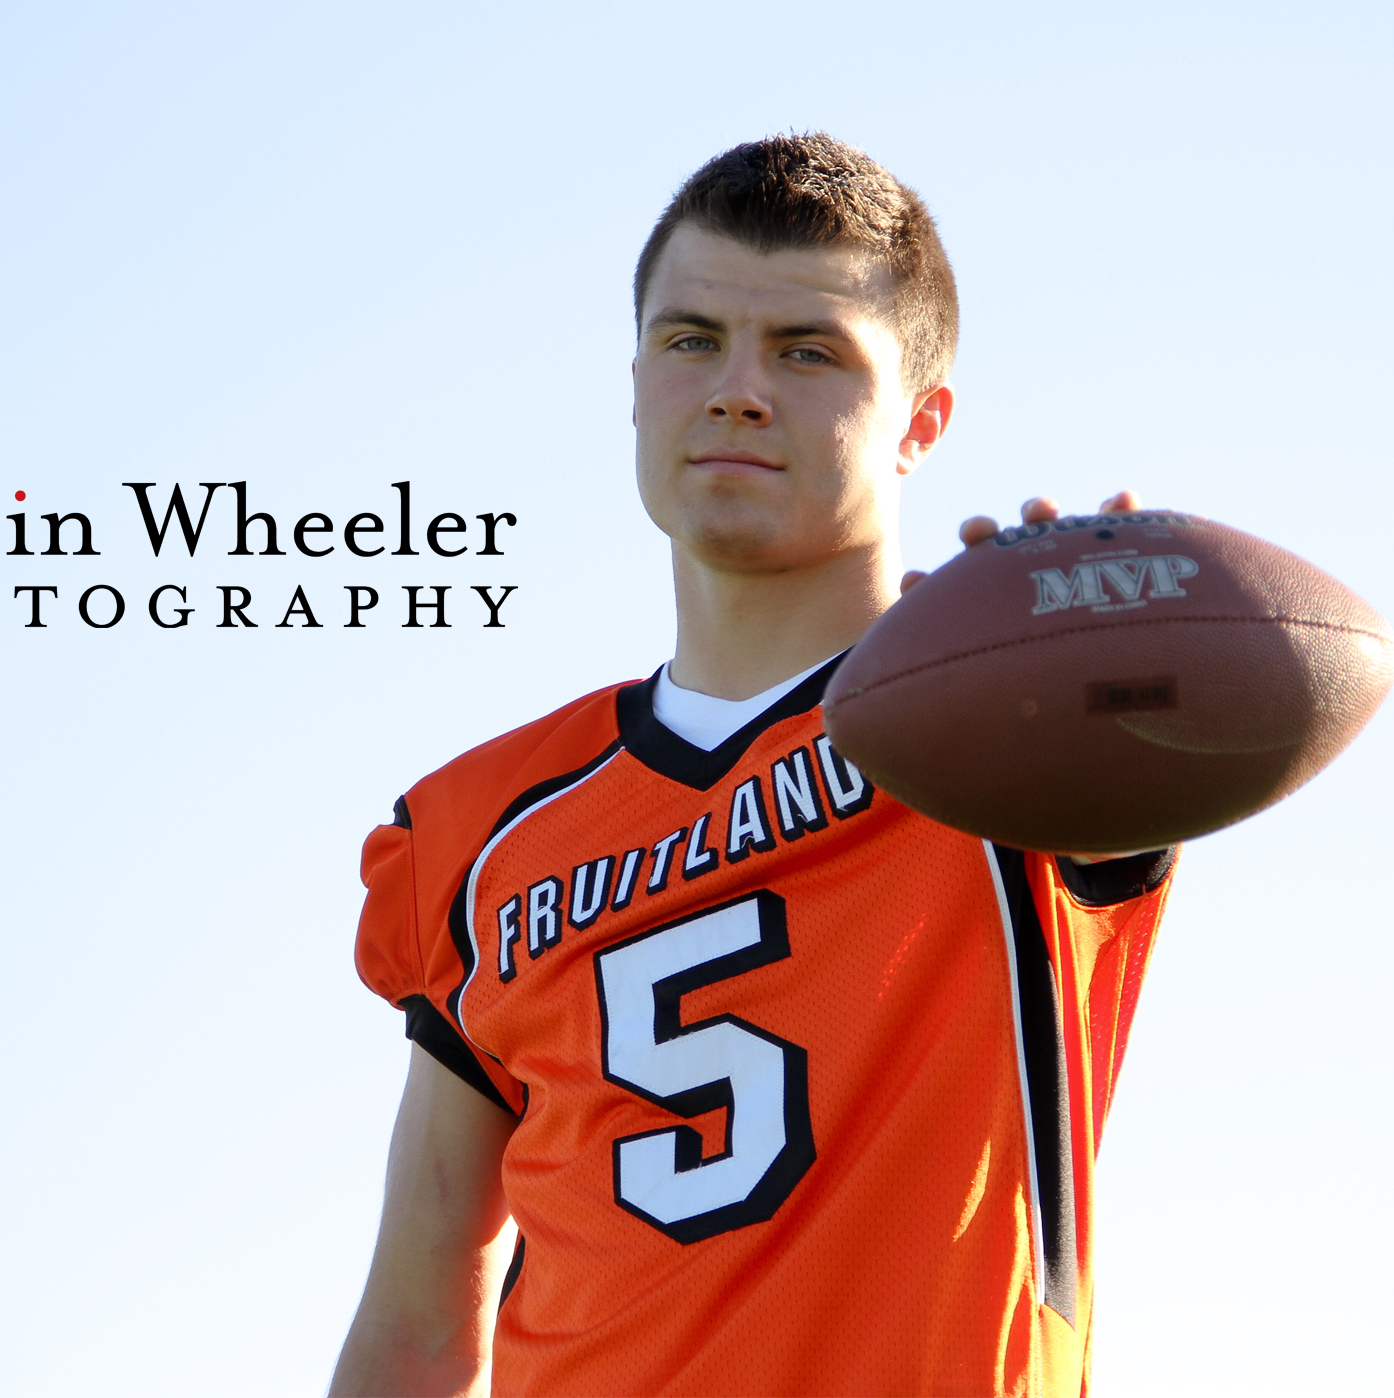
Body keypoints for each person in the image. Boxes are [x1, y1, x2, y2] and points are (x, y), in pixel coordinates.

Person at [330, 133, 1177, 1398]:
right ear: (632, 385)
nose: (735, 390)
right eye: (689, 342)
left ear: (920, 422)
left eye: (807, 350)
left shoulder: (1015, 729)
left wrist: (1112, 655)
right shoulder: (476, 828)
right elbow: (416, 1316)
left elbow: (1168, 749)